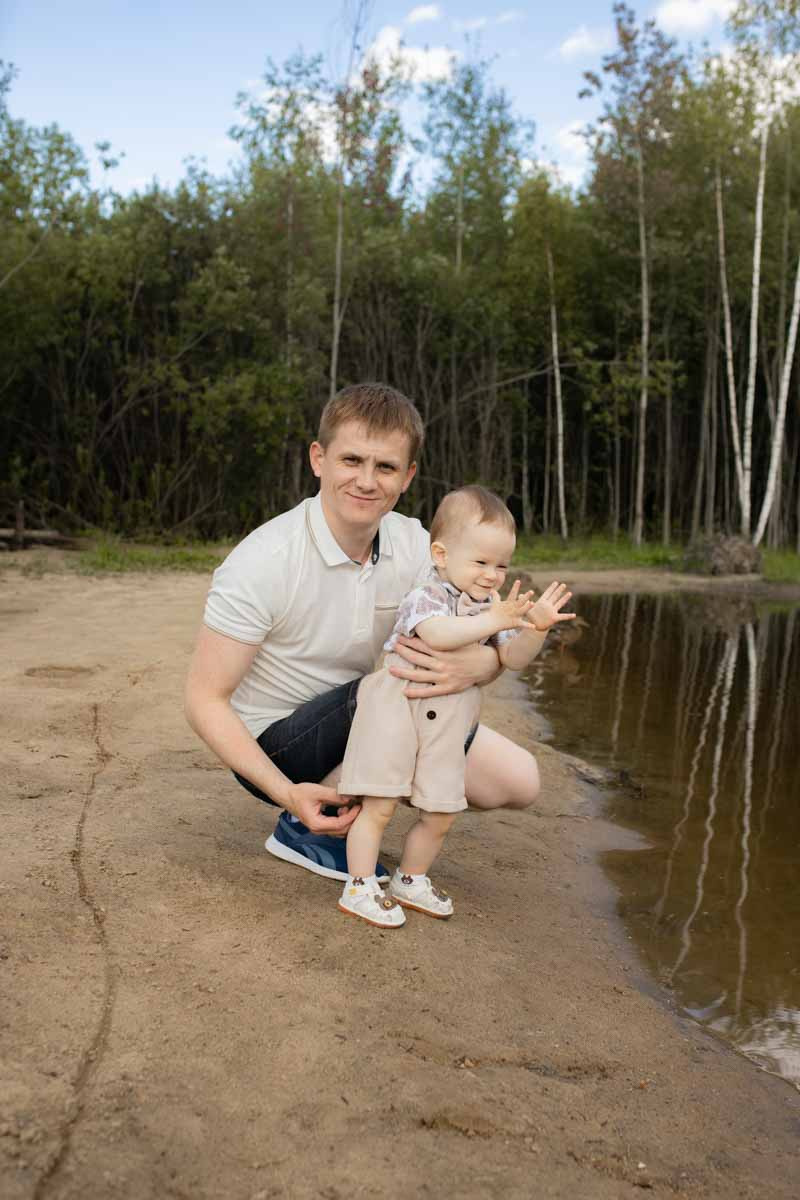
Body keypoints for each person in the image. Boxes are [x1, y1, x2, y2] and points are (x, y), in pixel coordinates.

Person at [184, 383, 549, 883]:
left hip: (370, 715)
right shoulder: (262, 561)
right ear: (319, 458)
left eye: (385, 467)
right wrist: (284, 790)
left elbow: (478, 635)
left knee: (519, 781)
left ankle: (344, 811)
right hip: (278, 746)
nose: (366, 481)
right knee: (388, 688)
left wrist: (485, 664)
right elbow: (204, 700)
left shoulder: (420, 547)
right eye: (351, 460)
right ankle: (302, 821)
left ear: (408, 476)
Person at [336, 485, 575, 928]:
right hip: (396, 711)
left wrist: (535, 629)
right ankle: (360, 884)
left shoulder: (493, 607)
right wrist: (494, 621)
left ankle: (411, 878)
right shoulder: (427, 594)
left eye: (501, 564)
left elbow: (513, 659)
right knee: (381, 804)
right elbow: (437, 636)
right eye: (481, 562)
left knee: (442, 809)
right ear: (441, 555)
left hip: (447, 724)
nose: (492, 575)